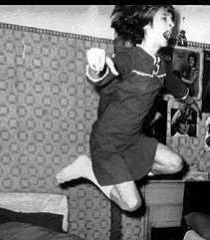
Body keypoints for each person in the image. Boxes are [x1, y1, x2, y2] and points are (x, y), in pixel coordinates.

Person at [55, 5, 198, 212]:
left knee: (175, 164)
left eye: (172, 20)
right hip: (108, 141)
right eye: (165, 18)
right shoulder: (128, 57)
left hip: (133, 139)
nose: (171, 24)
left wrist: (189, 100)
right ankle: (87, 169)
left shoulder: (161, 65)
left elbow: (175, 85)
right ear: (146, 25)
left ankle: (126, 173)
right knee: (133, 204)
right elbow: (103, 75)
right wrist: (96, 67)